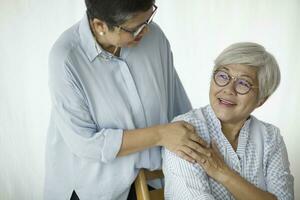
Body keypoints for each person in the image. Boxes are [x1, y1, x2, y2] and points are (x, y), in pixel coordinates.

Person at [45, 0, 210, 199]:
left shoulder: (154, 38)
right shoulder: (66, 58)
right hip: (95, 188)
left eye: (148, 19)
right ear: (100, 26)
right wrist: (160, 135)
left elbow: (177, 107)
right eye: (134, 28)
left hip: (155, 181)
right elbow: (86, 144)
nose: (146, 31)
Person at [163, 42, 294, 200]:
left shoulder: (270, 137)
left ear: (261, 99)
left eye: (243, 83)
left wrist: (223, 173)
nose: (228, 89)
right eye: (223, 76)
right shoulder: (185, 129)